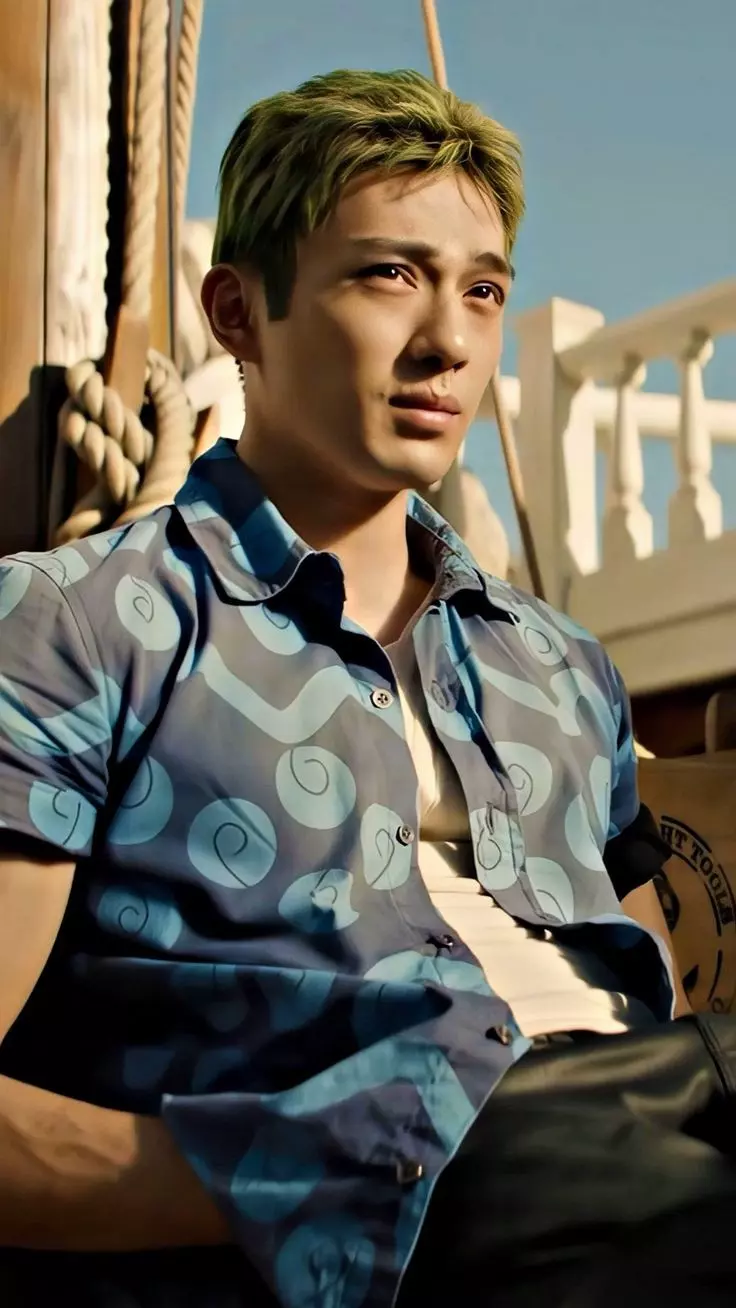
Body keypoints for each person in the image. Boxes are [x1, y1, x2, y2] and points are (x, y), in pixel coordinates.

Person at [0, 67, 734, 1308]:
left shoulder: (563, 667)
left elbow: (648, 976)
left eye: (483, 290)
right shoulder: (74, 624)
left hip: (655, 1120)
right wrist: (294, 1181)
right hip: (435, 1177)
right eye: (390, 274)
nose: (450, 341)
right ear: (238, 312)